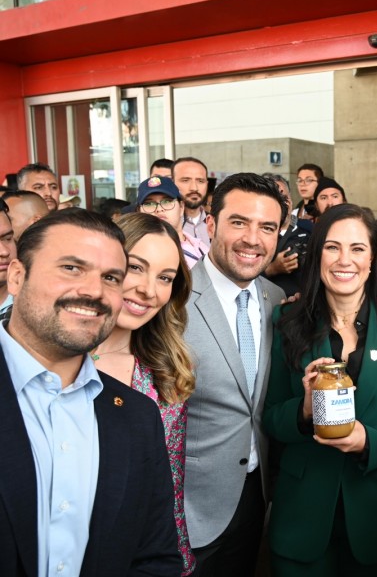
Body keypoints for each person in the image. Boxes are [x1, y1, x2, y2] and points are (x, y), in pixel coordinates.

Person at [0, 208, 181, 576]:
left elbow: (155, 555)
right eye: (71, 268)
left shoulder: (137, 415)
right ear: (17, 276)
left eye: (111, 277)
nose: (93, 291)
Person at [264, 203, 377, 576]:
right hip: (303, 517)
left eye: (357, 248)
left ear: (373, 258)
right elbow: (270, 417)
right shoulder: (286, 321)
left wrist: (368, 441)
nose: (345, 260)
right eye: (332, 247)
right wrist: (304, 409)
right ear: (317, 254)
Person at [183, 172, 287, 577]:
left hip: (255, 498)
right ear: (211, 224)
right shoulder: (173, 300)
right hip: (188, 508)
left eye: (267, 227)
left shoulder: (276, 300)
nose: (252, 239)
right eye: (239, 222)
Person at [92, 212, 196, 575]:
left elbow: (168, 488)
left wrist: (178, 563)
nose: (149, 290)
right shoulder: (56, 356)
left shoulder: (165, 371)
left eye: (165, 278)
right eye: (136, 268)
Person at [136, 176, 209, 268]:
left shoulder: (200, 246)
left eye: (167, 201)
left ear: (181, 207)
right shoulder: (134, 251)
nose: (159, 209)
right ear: (139, 211)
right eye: (149, 204)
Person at [263, 173, 309, 298]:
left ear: (291, 200)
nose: (282, 203)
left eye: (285, 197)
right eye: (275, 198)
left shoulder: (310, 229)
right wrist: (272, 269)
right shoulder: (254, 235)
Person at [173, 157, 211, 246]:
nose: (194, 188)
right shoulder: (165, 226)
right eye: (185, 180)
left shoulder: (217, 223)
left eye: (200, 181)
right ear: (172, 183)